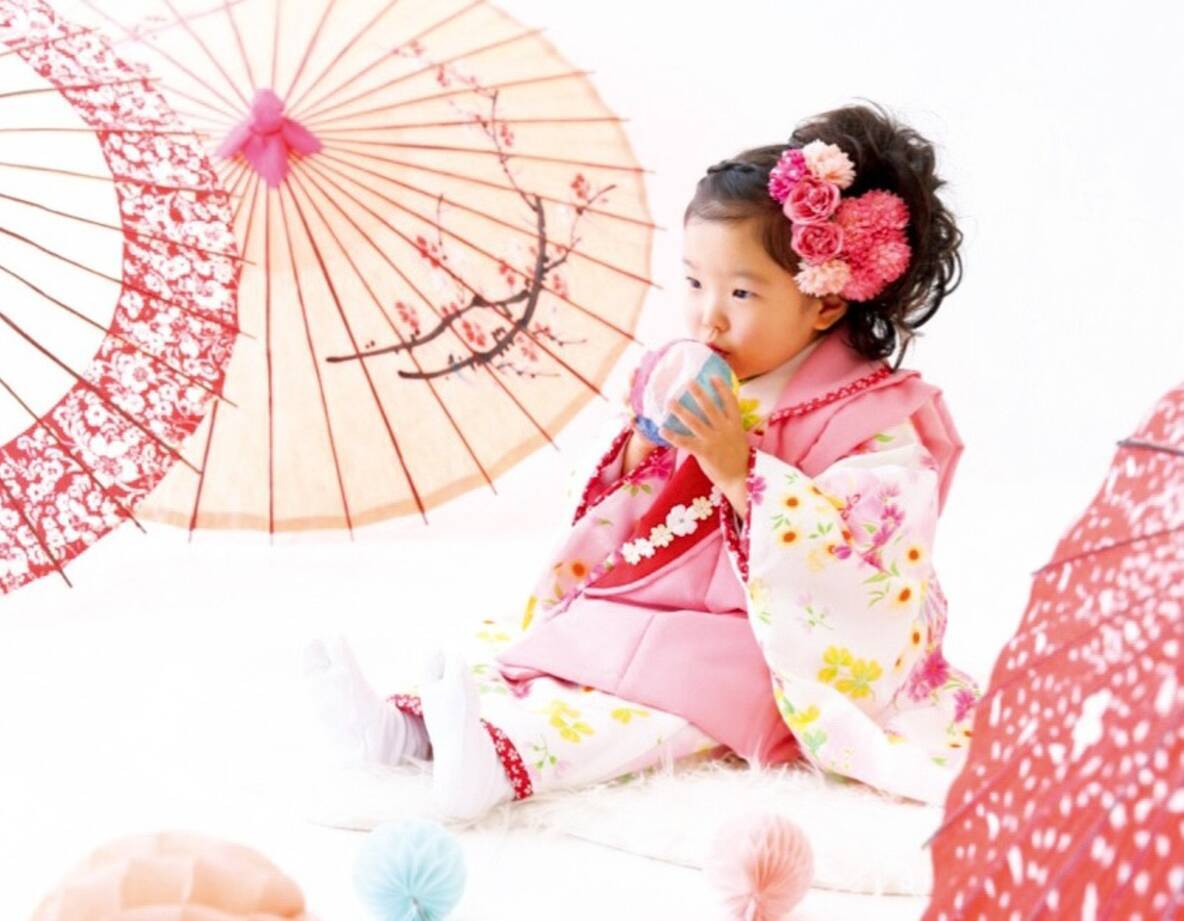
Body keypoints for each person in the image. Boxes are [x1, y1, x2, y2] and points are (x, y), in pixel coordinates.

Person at [304, 100, 983, 823]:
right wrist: (642, 443)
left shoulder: (876, 419)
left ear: (823, 306)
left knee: (655, 707)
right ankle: (407, 732)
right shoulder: (699, 371)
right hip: (655, 597)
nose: (708, 316)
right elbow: (620, 514)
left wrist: (741, 471)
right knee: (563, 647)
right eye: (693, 283)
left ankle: (501, 767)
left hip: (754, 639)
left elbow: (872, 567)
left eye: (741, 292)